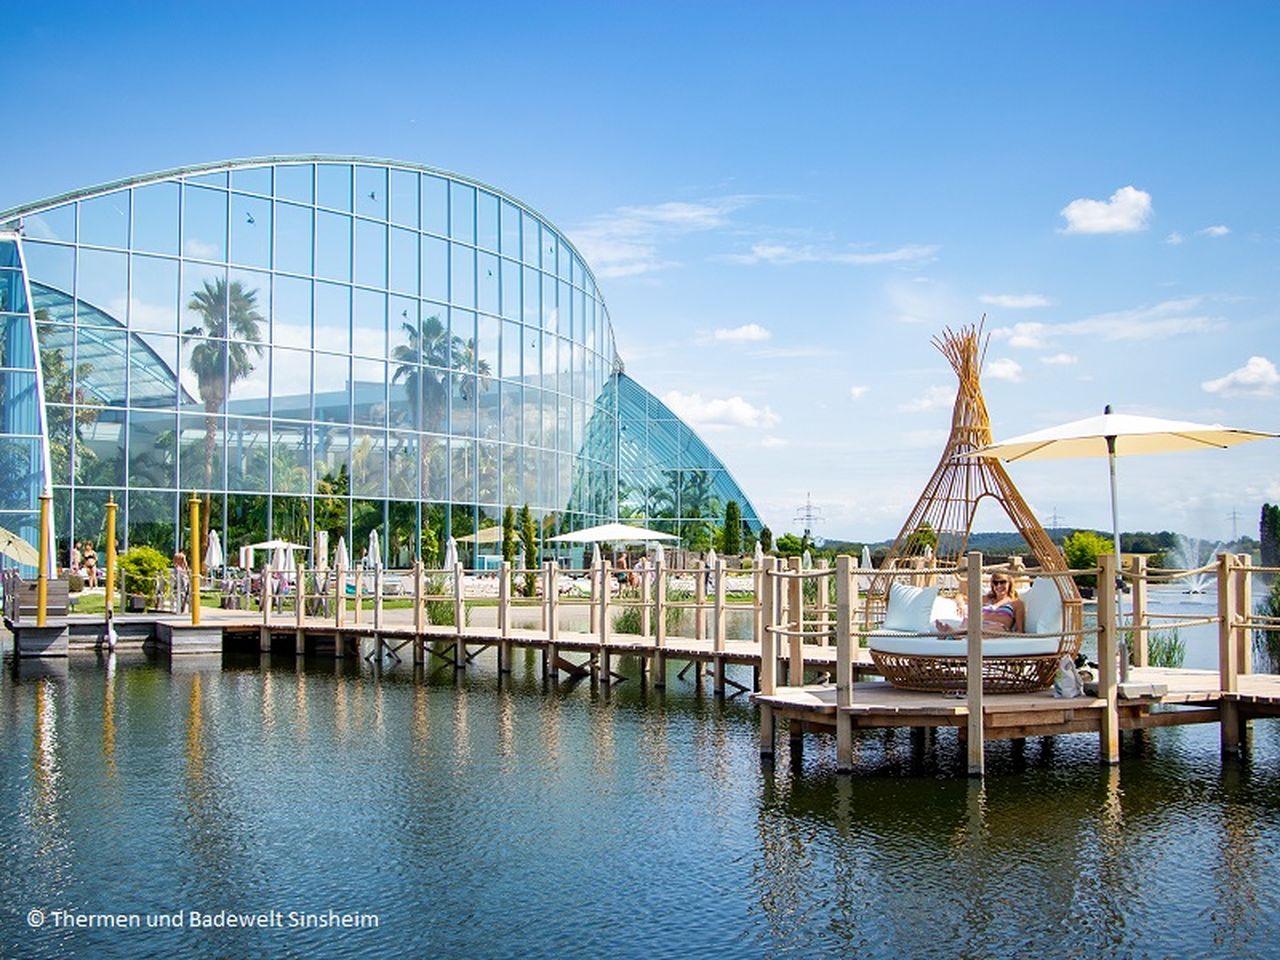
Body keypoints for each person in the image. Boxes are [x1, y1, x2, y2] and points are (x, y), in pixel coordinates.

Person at [936, 573, 1025, 635]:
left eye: (1002, 582)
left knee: (996, 628)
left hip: (997, 629)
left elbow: (1020, 630)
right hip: (977, 626)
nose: (998, 586)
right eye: (995, 583)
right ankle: (956, 634)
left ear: (1010, 583)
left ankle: (954, 634)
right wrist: (961, 605)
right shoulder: (986, 598)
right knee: (969, 622)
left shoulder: (1016, 603)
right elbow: (960, 596)